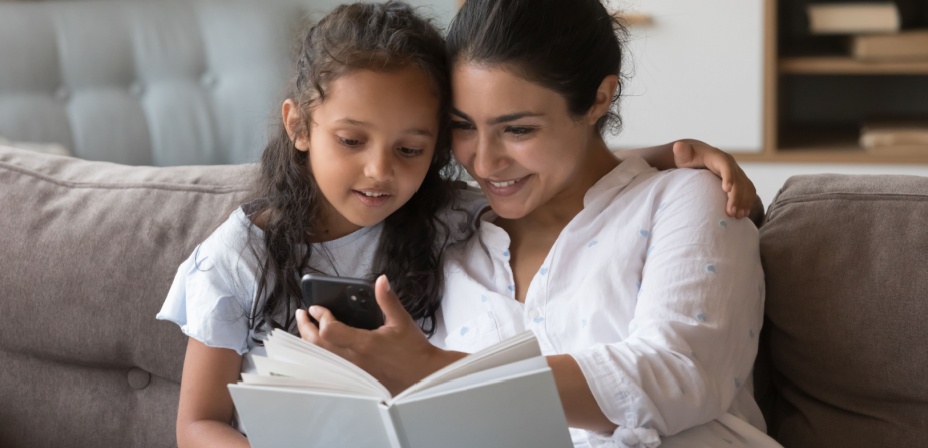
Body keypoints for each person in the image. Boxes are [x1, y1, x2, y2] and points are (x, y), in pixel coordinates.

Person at [157, 1, 758, 447]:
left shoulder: (681, 201)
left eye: (518, 129)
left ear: (599, 99)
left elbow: (677, 374)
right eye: (464, 128)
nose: (486, 163)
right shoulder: (458, 234)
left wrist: (664, 156)